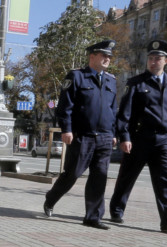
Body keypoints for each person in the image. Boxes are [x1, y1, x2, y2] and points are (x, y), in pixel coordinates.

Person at [109, 40, 167, 233]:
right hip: (139, 138)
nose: (153, 62)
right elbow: (125, 114)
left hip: (165, 140)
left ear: (166, 61)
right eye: (151, 58)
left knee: (166, 180)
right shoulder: (136, 83)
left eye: (158, 59)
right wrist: (125, 137)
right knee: (127, 177)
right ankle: (117, 209)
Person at [43, 40, 118, 230]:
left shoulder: (111, 80)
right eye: (104, 55)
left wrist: (114, 132)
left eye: (109, 56)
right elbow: (64, 106)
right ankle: (51, 198)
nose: (107, 59)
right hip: (82, 136)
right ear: (92, 56)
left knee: (99, 177)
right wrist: (66, 129)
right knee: (73, 174)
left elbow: (113, 109)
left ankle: (93, 217)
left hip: (104, 137)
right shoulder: (77, 76)